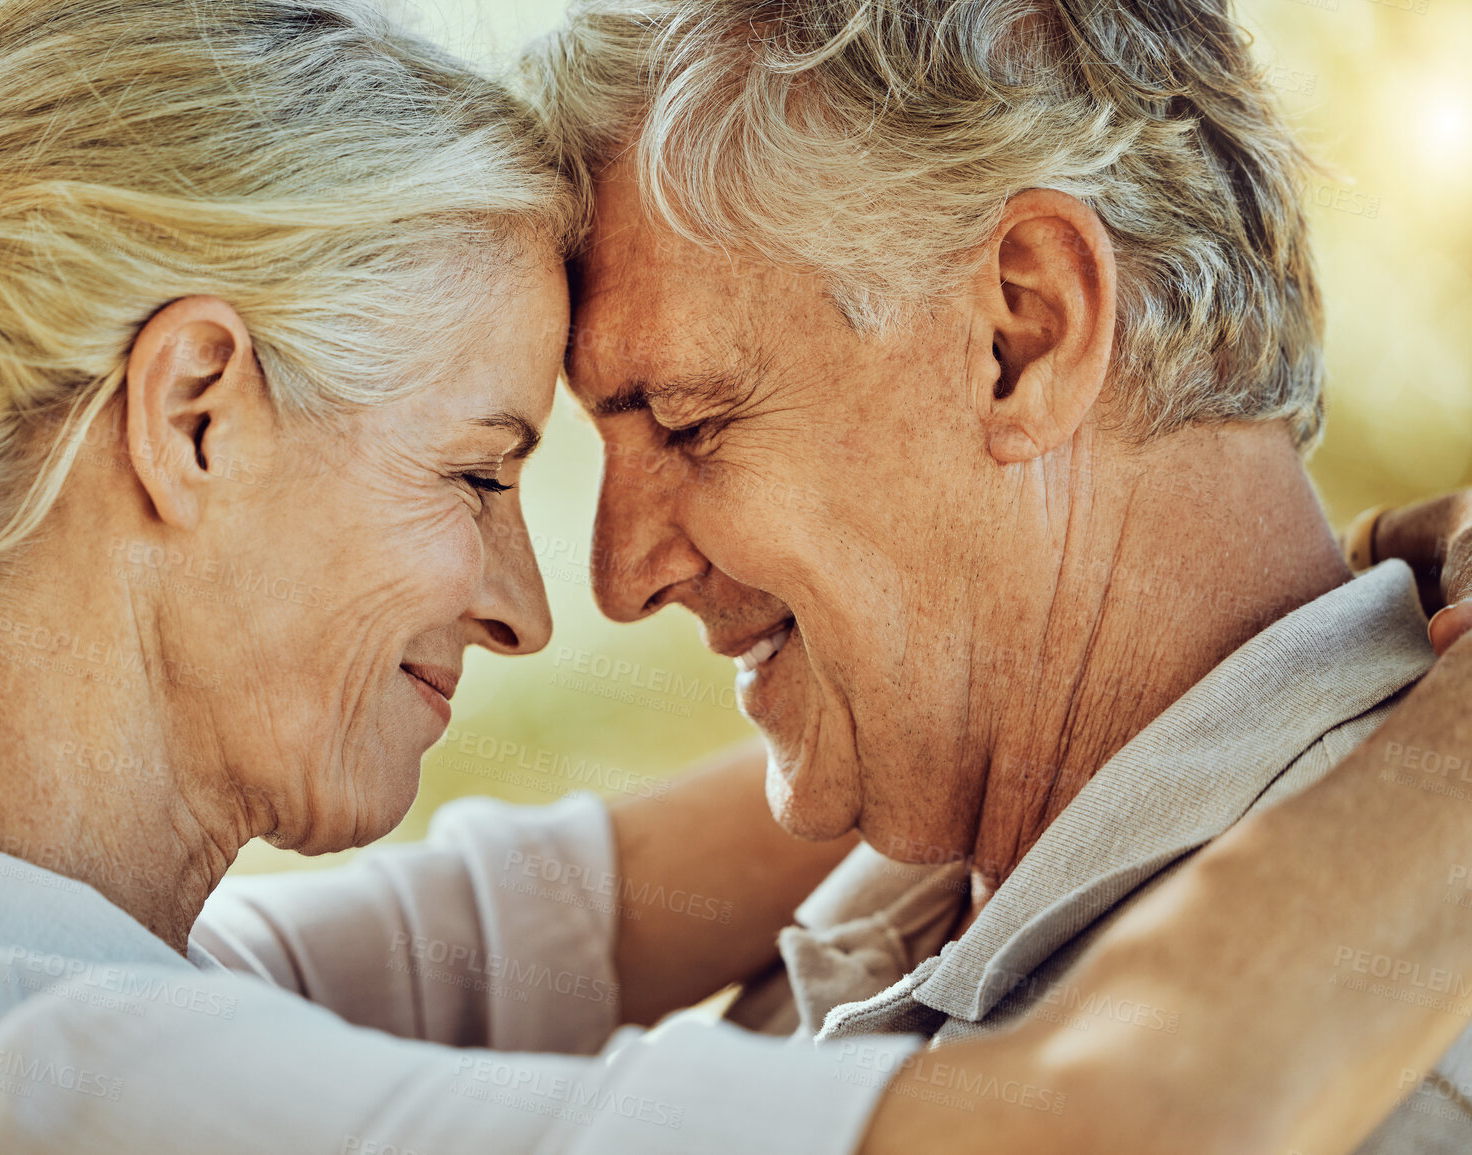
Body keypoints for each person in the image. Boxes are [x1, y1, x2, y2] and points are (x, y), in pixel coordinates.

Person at [0, 2, 1470, 1154]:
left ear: (1023, 334)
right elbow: (1132, 1119)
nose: (581, 590)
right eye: (481, 469)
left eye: (690, 421)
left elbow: (575, 902)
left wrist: (1364, 586)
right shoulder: (44, 1078)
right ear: (190, 417)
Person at [519, 0, 1472, 1147]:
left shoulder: (1400, 1078)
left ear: (1023, 338)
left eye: (688, 422)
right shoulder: (893, 913)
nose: (620, 578)